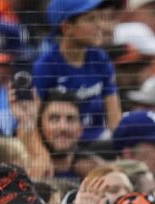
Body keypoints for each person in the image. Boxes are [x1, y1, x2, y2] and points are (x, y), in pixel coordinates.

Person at [34, 0, 119, 142]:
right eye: (90, 19)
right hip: (60, 144)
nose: (100, 26)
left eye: (99, 18)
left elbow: (114, 116)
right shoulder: (46, 66)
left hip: (97, 143)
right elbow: (34, 121)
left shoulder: (100, 58)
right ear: (67, 28)